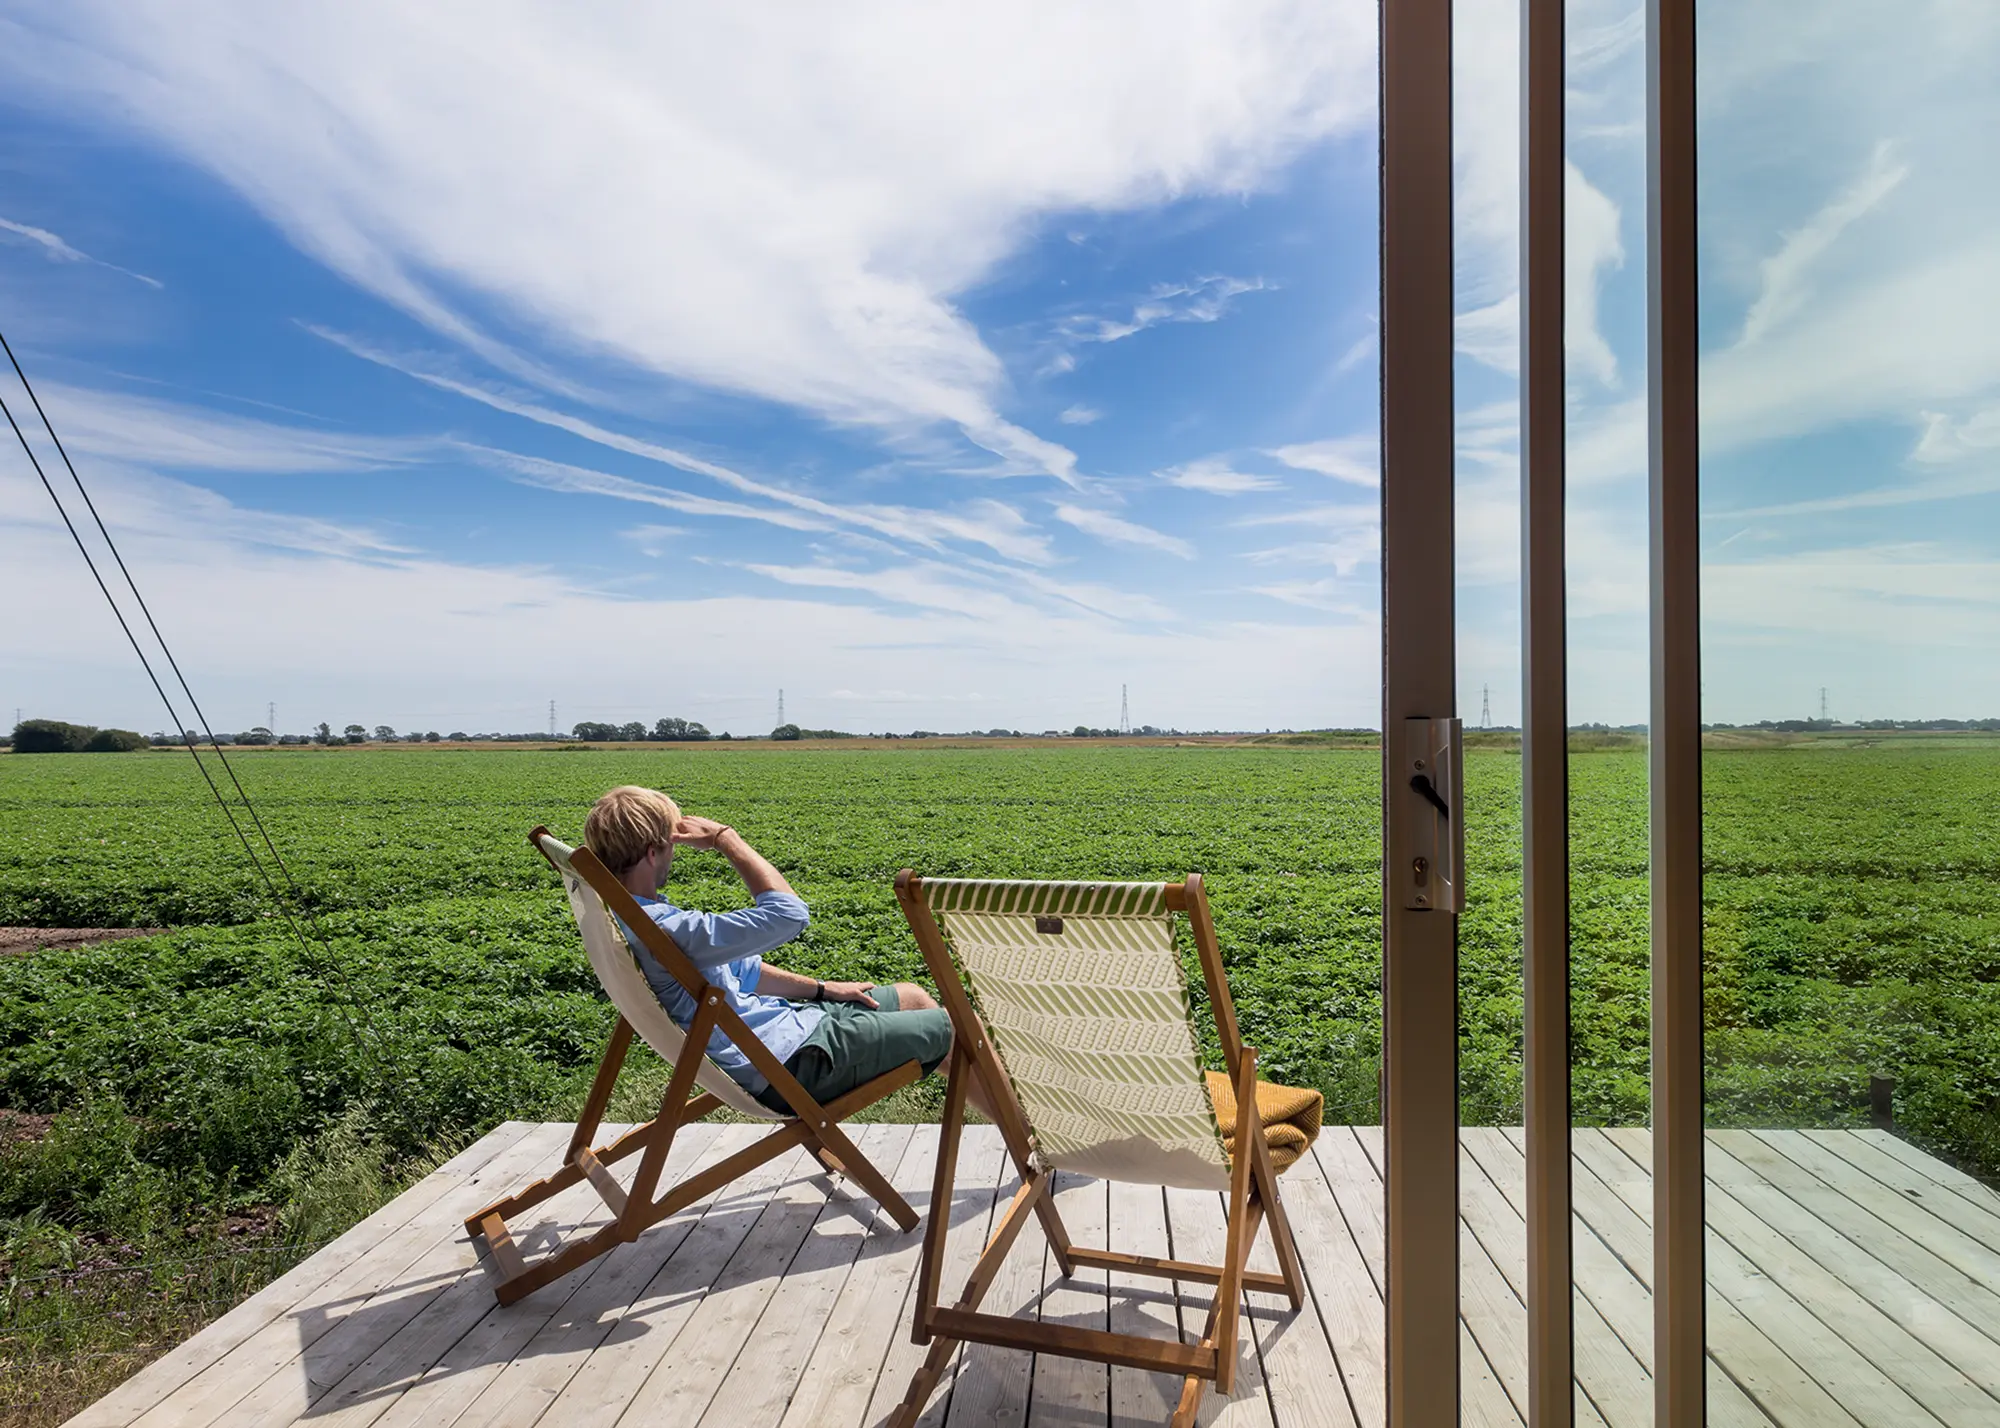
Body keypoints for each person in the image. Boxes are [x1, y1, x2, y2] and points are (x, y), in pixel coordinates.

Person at [582, 784, 957, 1115]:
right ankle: (1018, 1134)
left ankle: (1017, 1127)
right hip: (788, 1064)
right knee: (957, 1029)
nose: (675, 854)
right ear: (652, 853)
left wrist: (823, 989)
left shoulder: (626, 917)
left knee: (913, 997)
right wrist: (726, 839)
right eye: (671, 844)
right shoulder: (667, 929)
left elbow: (741, 971)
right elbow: (789, 914)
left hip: (781, 1036)